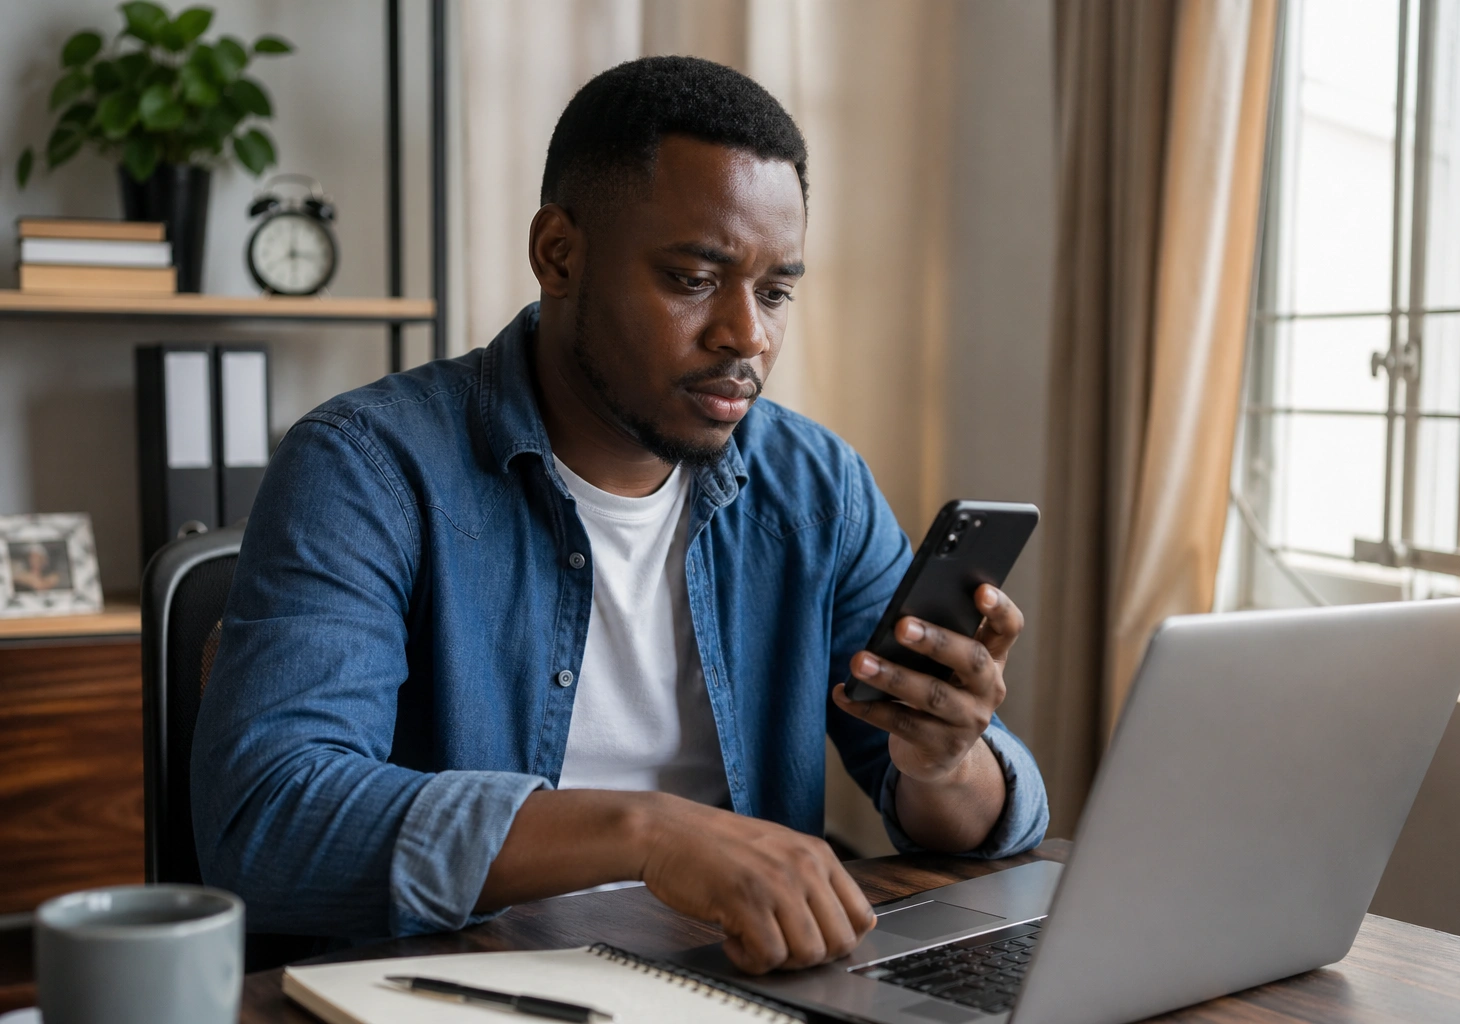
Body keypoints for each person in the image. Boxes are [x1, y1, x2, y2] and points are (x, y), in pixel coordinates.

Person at [190, 55, 1048, 975]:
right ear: (559, 254)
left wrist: (947, 761)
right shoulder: (365, 468)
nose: (747, 336)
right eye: (692, 278)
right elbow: (271, 819)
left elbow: (962, 825)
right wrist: (648, 832)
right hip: (468, 991)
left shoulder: (817, 486)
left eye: (775, 291)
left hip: (742, 981)